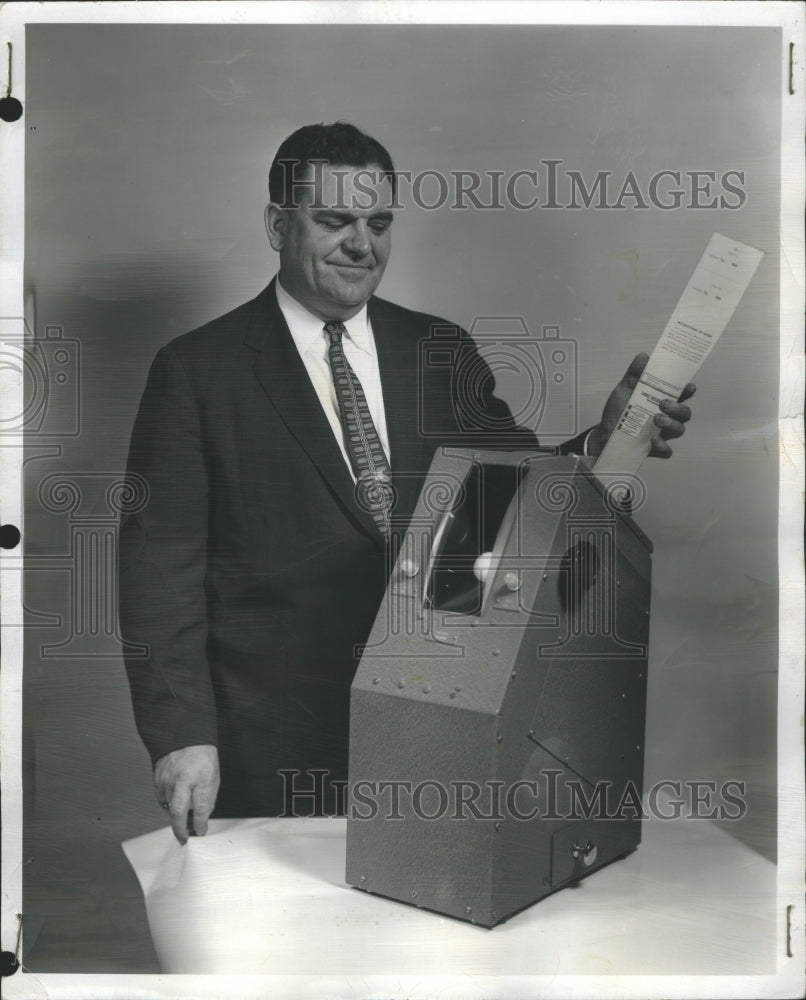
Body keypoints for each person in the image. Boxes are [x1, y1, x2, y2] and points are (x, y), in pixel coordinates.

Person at [119, 122, 694, 844]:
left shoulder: (438, 350)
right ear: (276, 224)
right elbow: (157, 576)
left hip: (433, 734)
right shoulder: (196, 372)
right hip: (267, 750)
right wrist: (180, 735)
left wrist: (603, 443)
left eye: (379, 222)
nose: (363, 244)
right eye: (334, 221)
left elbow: (516, 490)